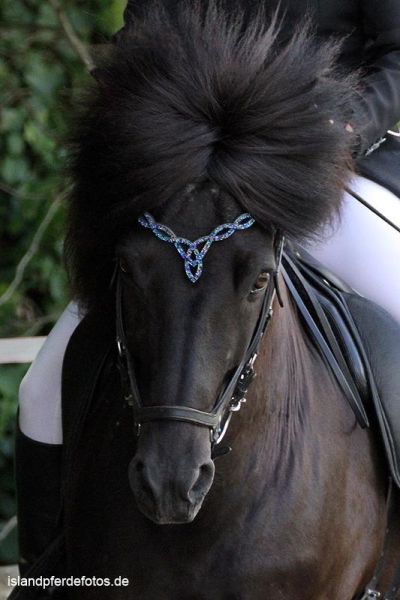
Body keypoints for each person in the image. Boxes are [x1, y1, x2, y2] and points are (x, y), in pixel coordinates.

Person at [15, 0, 400, 575]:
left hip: (322, 170)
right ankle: (52, 576)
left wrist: (343, 131)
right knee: (41, 392)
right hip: (189, 176)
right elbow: (140, 41)